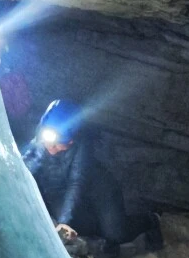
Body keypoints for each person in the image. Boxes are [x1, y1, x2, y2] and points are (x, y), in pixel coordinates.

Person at [22, 99, 129, 247]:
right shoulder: (41, 136)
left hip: (99, 191)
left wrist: (64, 222)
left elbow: (76, 183)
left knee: (116, 234)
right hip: (62, 190)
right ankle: (98, 233)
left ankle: (150, 220)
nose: (52, 147)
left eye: (59, 144)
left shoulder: (83, 146)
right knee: (63, 223)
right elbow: (28, 162)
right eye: (50, 141)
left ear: (71, 141)